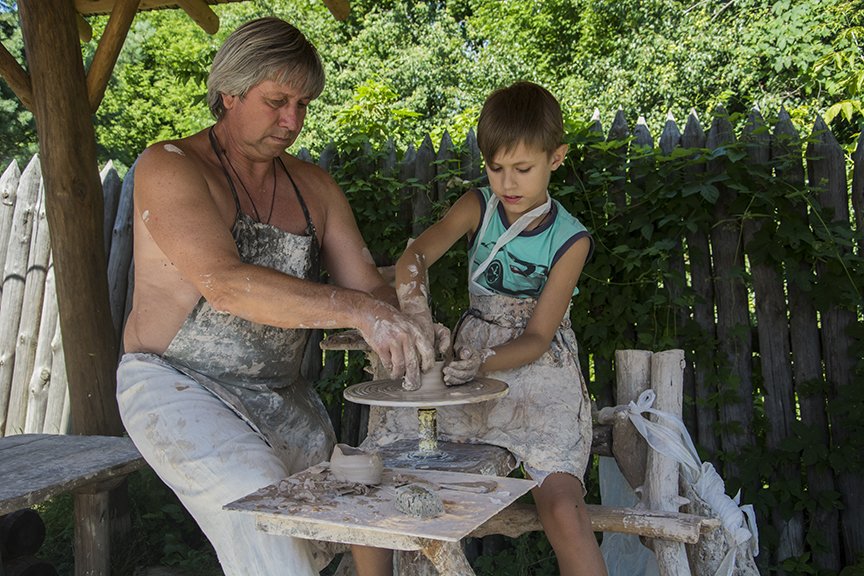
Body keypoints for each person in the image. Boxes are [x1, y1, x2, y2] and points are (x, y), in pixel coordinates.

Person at [117, 17, 433, 576]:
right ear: (229, 93)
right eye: (277, 101)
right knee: (260, 508)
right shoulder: (171, 166)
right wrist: (359, 312)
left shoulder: (315, 188)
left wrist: (407, 316)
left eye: (303, 104)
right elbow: (225, 283)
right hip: (177, 383)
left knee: (334, 525)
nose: (293, 121)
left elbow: (369, 288)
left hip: (281, 396)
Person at [394, 81, 608, 576]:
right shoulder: (477, 206)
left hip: (537, 367)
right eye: (496, 168)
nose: (507, 183)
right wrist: (413, 305)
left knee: (559, 505)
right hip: (469, 359)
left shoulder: (570, 239)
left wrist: (481, 366)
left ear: (557, 158)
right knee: (406, 473)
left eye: (523, 168)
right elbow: (416, 255)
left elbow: (536, 338)